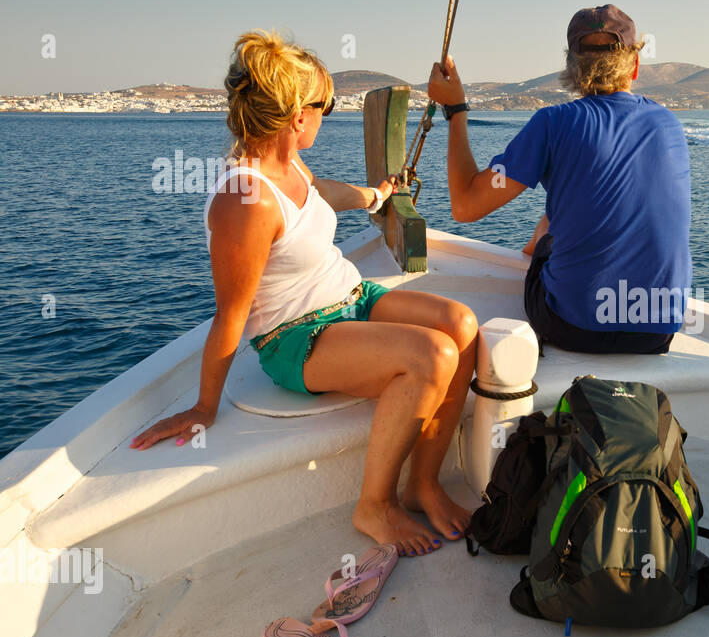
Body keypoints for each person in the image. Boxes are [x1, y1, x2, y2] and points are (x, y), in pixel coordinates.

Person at [131, 30, 478, 557]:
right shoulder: (245, 201)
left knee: (461, 324)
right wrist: (205, 406)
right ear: (297, 115)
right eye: (326, 106)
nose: (327, 114)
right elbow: (231, 315)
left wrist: (376, 194)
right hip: (299, 338)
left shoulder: (288, 162)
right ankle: (374, 505)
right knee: (434, 356)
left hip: (350, 297)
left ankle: (423, 483)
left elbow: (318, 194)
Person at [425, 4, 692, 354]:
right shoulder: (669, 122)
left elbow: (465, 206)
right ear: (635, 66)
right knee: (572, 201)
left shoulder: (554, 122)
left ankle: (536, 254)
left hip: (574, 325)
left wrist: (456, 109)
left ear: (571, 68)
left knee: (550, 234)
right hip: (657, 330)